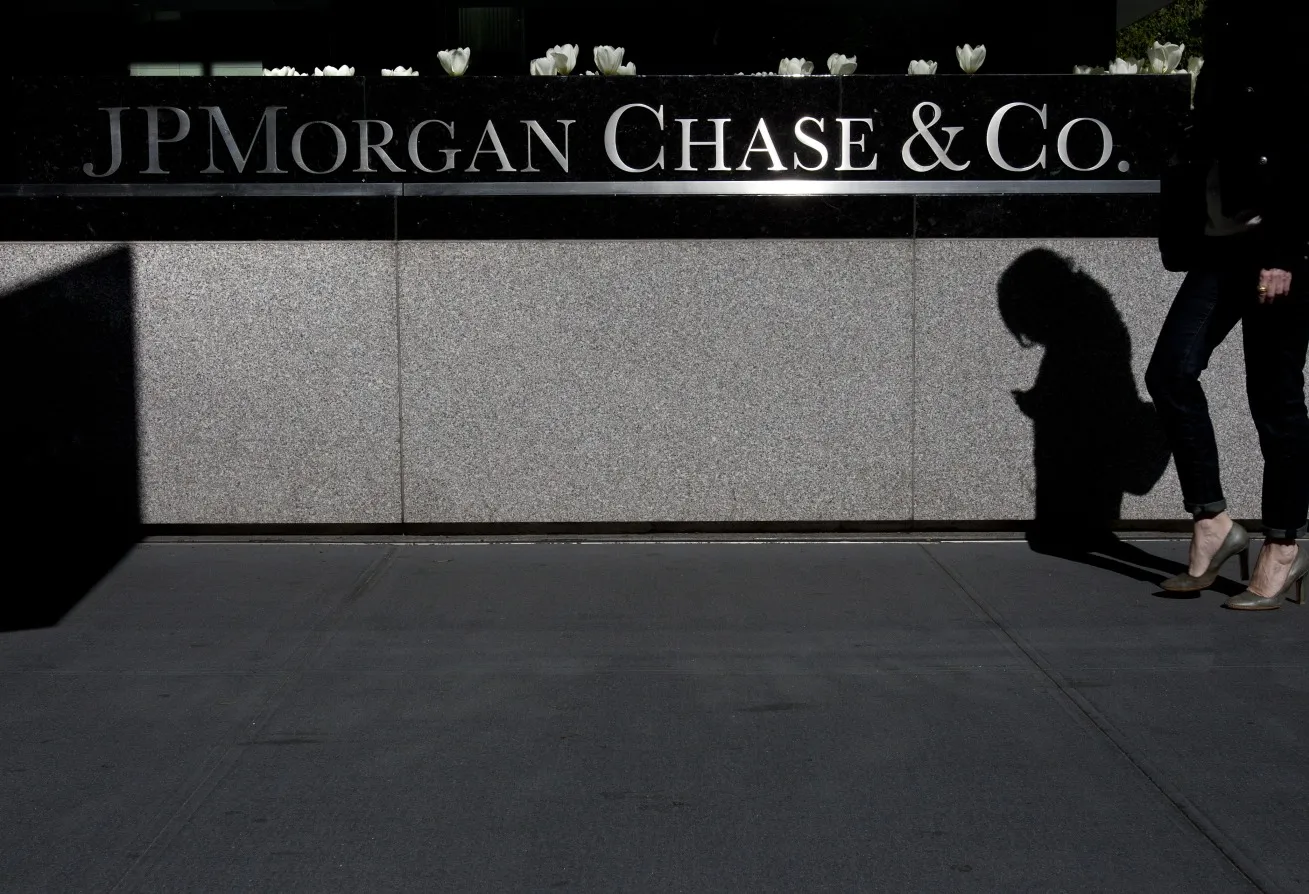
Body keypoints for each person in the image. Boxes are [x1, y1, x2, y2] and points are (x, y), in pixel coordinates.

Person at [1145, 0, 1309, 610]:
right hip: (1222, 244)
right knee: (1169, 372)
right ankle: (1214, 521)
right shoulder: (1228, 21)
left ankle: (1285, 544)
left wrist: (1285, 252)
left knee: (1275, 401)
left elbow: (1298, 140)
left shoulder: (1289, 24)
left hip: (1274, 247)